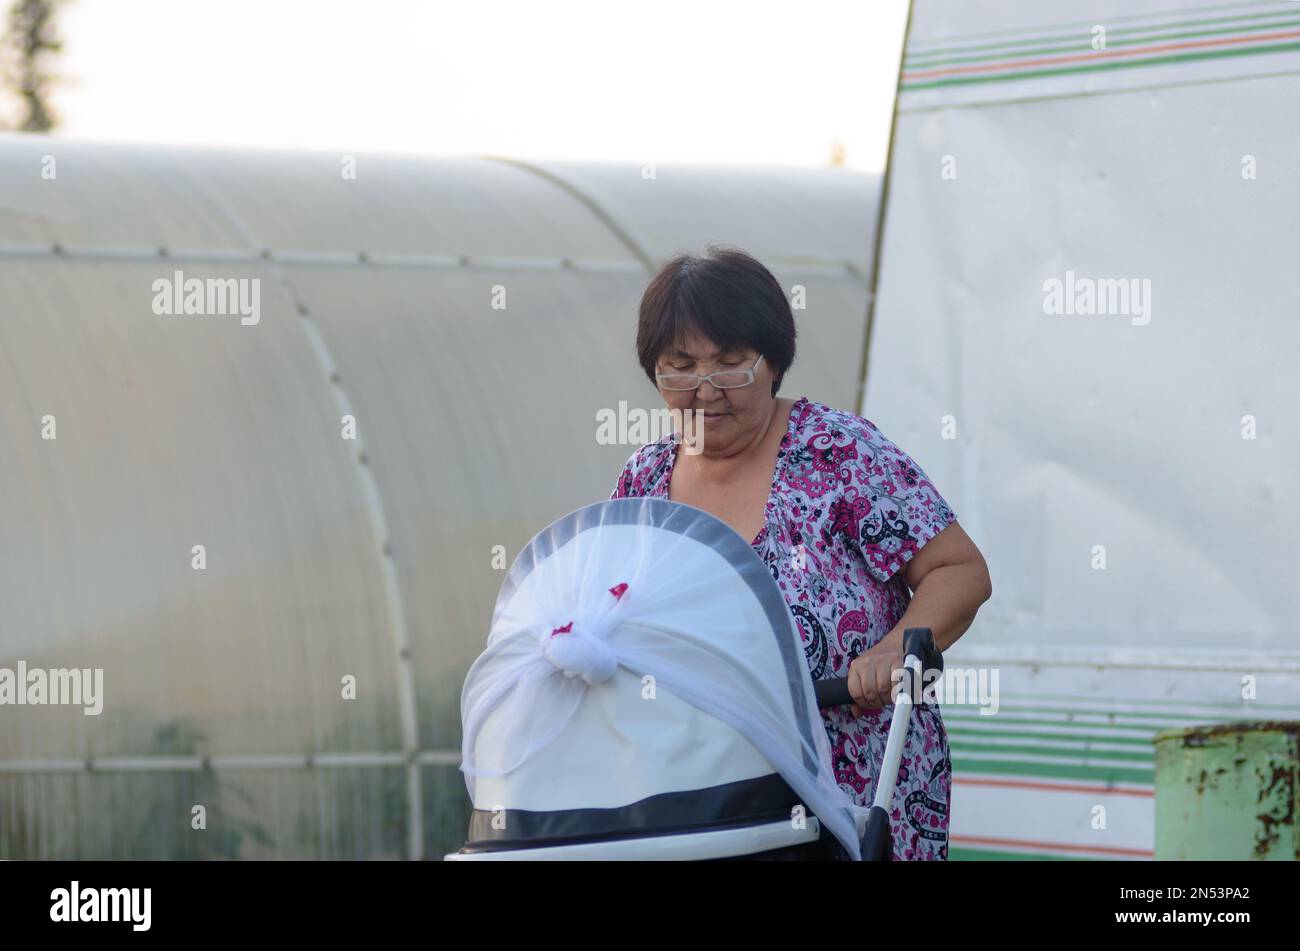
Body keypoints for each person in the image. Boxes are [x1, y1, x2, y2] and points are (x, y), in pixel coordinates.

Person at [610, 245, 992, 860]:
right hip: (701, 800)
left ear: (774, 362)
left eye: (731, 365)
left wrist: (892, 653)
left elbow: (960, 571)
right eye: (679, 367)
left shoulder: (838, 453)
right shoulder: (644, 482)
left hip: (853, 795)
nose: (705, 391)